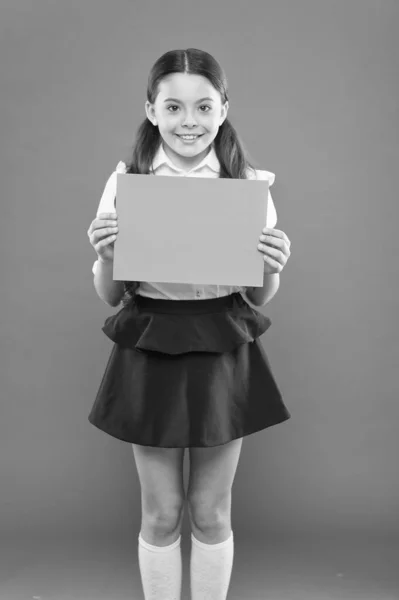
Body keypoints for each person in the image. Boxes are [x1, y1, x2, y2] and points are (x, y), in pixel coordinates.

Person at [87, 48, 292, 600]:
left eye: (203, 107)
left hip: (221, 341)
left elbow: (257, 293)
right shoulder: (125, 181)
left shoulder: (246, 183)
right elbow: (111, 296)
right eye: (173, 107)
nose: (189, 122)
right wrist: (106, 254)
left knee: (210, 510)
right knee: (161, 513)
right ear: (150, 110)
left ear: (224, 109)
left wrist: (272, 266)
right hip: (150, 339)